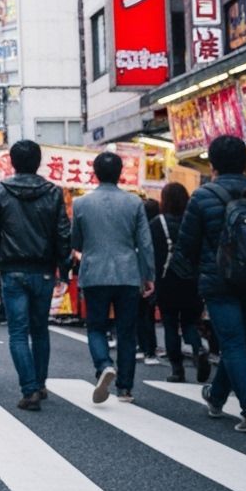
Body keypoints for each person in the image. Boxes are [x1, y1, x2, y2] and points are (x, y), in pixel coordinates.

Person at [174, 136, 246, 433]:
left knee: (234, 342)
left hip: (218, 282)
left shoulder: (202, 197)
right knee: (236, 341)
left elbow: (186, 245)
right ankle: (215, 397)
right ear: (245, 162)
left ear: (212, 164)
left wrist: (187, 277)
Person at [0, 140, 71, 412]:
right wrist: (64, 268)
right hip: (44, 269)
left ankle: (29, 388)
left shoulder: (0, 192)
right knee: (39, 330)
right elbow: (62, 234)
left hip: (12, 269)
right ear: (38, 161)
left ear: (13, 162)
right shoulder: (53, 192)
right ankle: (40, 384)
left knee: (18, 332)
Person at [70, 152, 155, 404]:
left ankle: (104, 364)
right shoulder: (134, 203)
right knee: (126, 331)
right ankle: (125, 388)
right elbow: (145, 243)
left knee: (96, 327)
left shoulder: (81, 204)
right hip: (127, 273)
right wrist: (148, 274)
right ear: (120, 173)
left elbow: (76, 240)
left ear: (95, 173)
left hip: (94, 271)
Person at [151, 182, 210, 383]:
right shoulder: (193, 221)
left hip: (167, 280)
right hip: (191, 280)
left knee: (169, 324)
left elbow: (152, 255)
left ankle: (177, 370)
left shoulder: (157, 224)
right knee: (188, 322)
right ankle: (199, 347)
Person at [138, 199, 162, 366]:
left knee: (140, 313)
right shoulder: (161, 225)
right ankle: (151, 349)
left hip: (142, 273)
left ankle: (143, 347)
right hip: (160, 273)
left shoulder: (144, 228)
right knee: (150, 314)